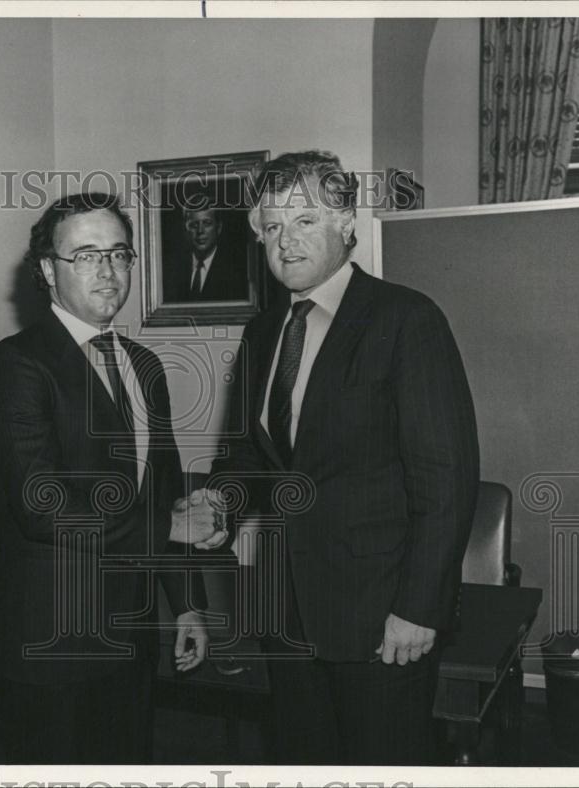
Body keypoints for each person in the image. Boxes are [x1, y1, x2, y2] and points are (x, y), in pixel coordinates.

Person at [207, 151, 480, 765]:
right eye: (272, 227)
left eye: (304, 221)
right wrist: (218, 500)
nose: (285, 240)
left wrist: (418, 608)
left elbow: (447, 480)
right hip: (286, 607)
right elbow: (253, 456)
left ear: (346, 226)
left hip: (381, 616)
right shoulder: (263, 332)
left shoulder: (406, 319)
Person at [0, 192, 220, 764]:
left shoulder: (144, 365)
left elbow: (164, 488)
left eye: (118, 253)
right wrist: (169, 529)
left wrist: (186, 603)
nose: (108, 270)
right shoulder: (15, 364)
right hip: (52, 647)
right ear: (47, 271)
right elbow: (45, 505)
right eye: (85, 255)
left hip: (130, 638)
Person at [162, 200, 248, 303]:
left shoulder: (235, 271)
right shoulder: (173, 270)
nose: (200, 231)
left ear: (219, 228)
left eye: (207, 223)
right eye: (194, 225)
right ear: (186, 229)